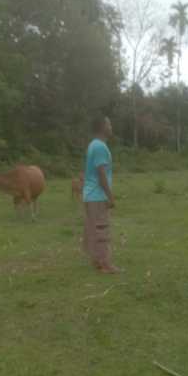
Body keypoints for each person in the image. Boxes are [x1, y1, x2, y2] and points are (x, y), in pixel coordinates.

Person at [82, 115, 121, 274]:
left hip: (91, 195)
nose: (111, 127)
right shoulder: (99, 147)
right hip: (97, 196)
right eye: (109, 124)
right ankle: (105, 264)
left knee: (94, 229)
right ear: (102, 127)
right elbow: (101, 173)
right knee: (102, 229)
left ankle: (97, 261)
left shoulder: (94, 145)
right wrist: (110, 196)